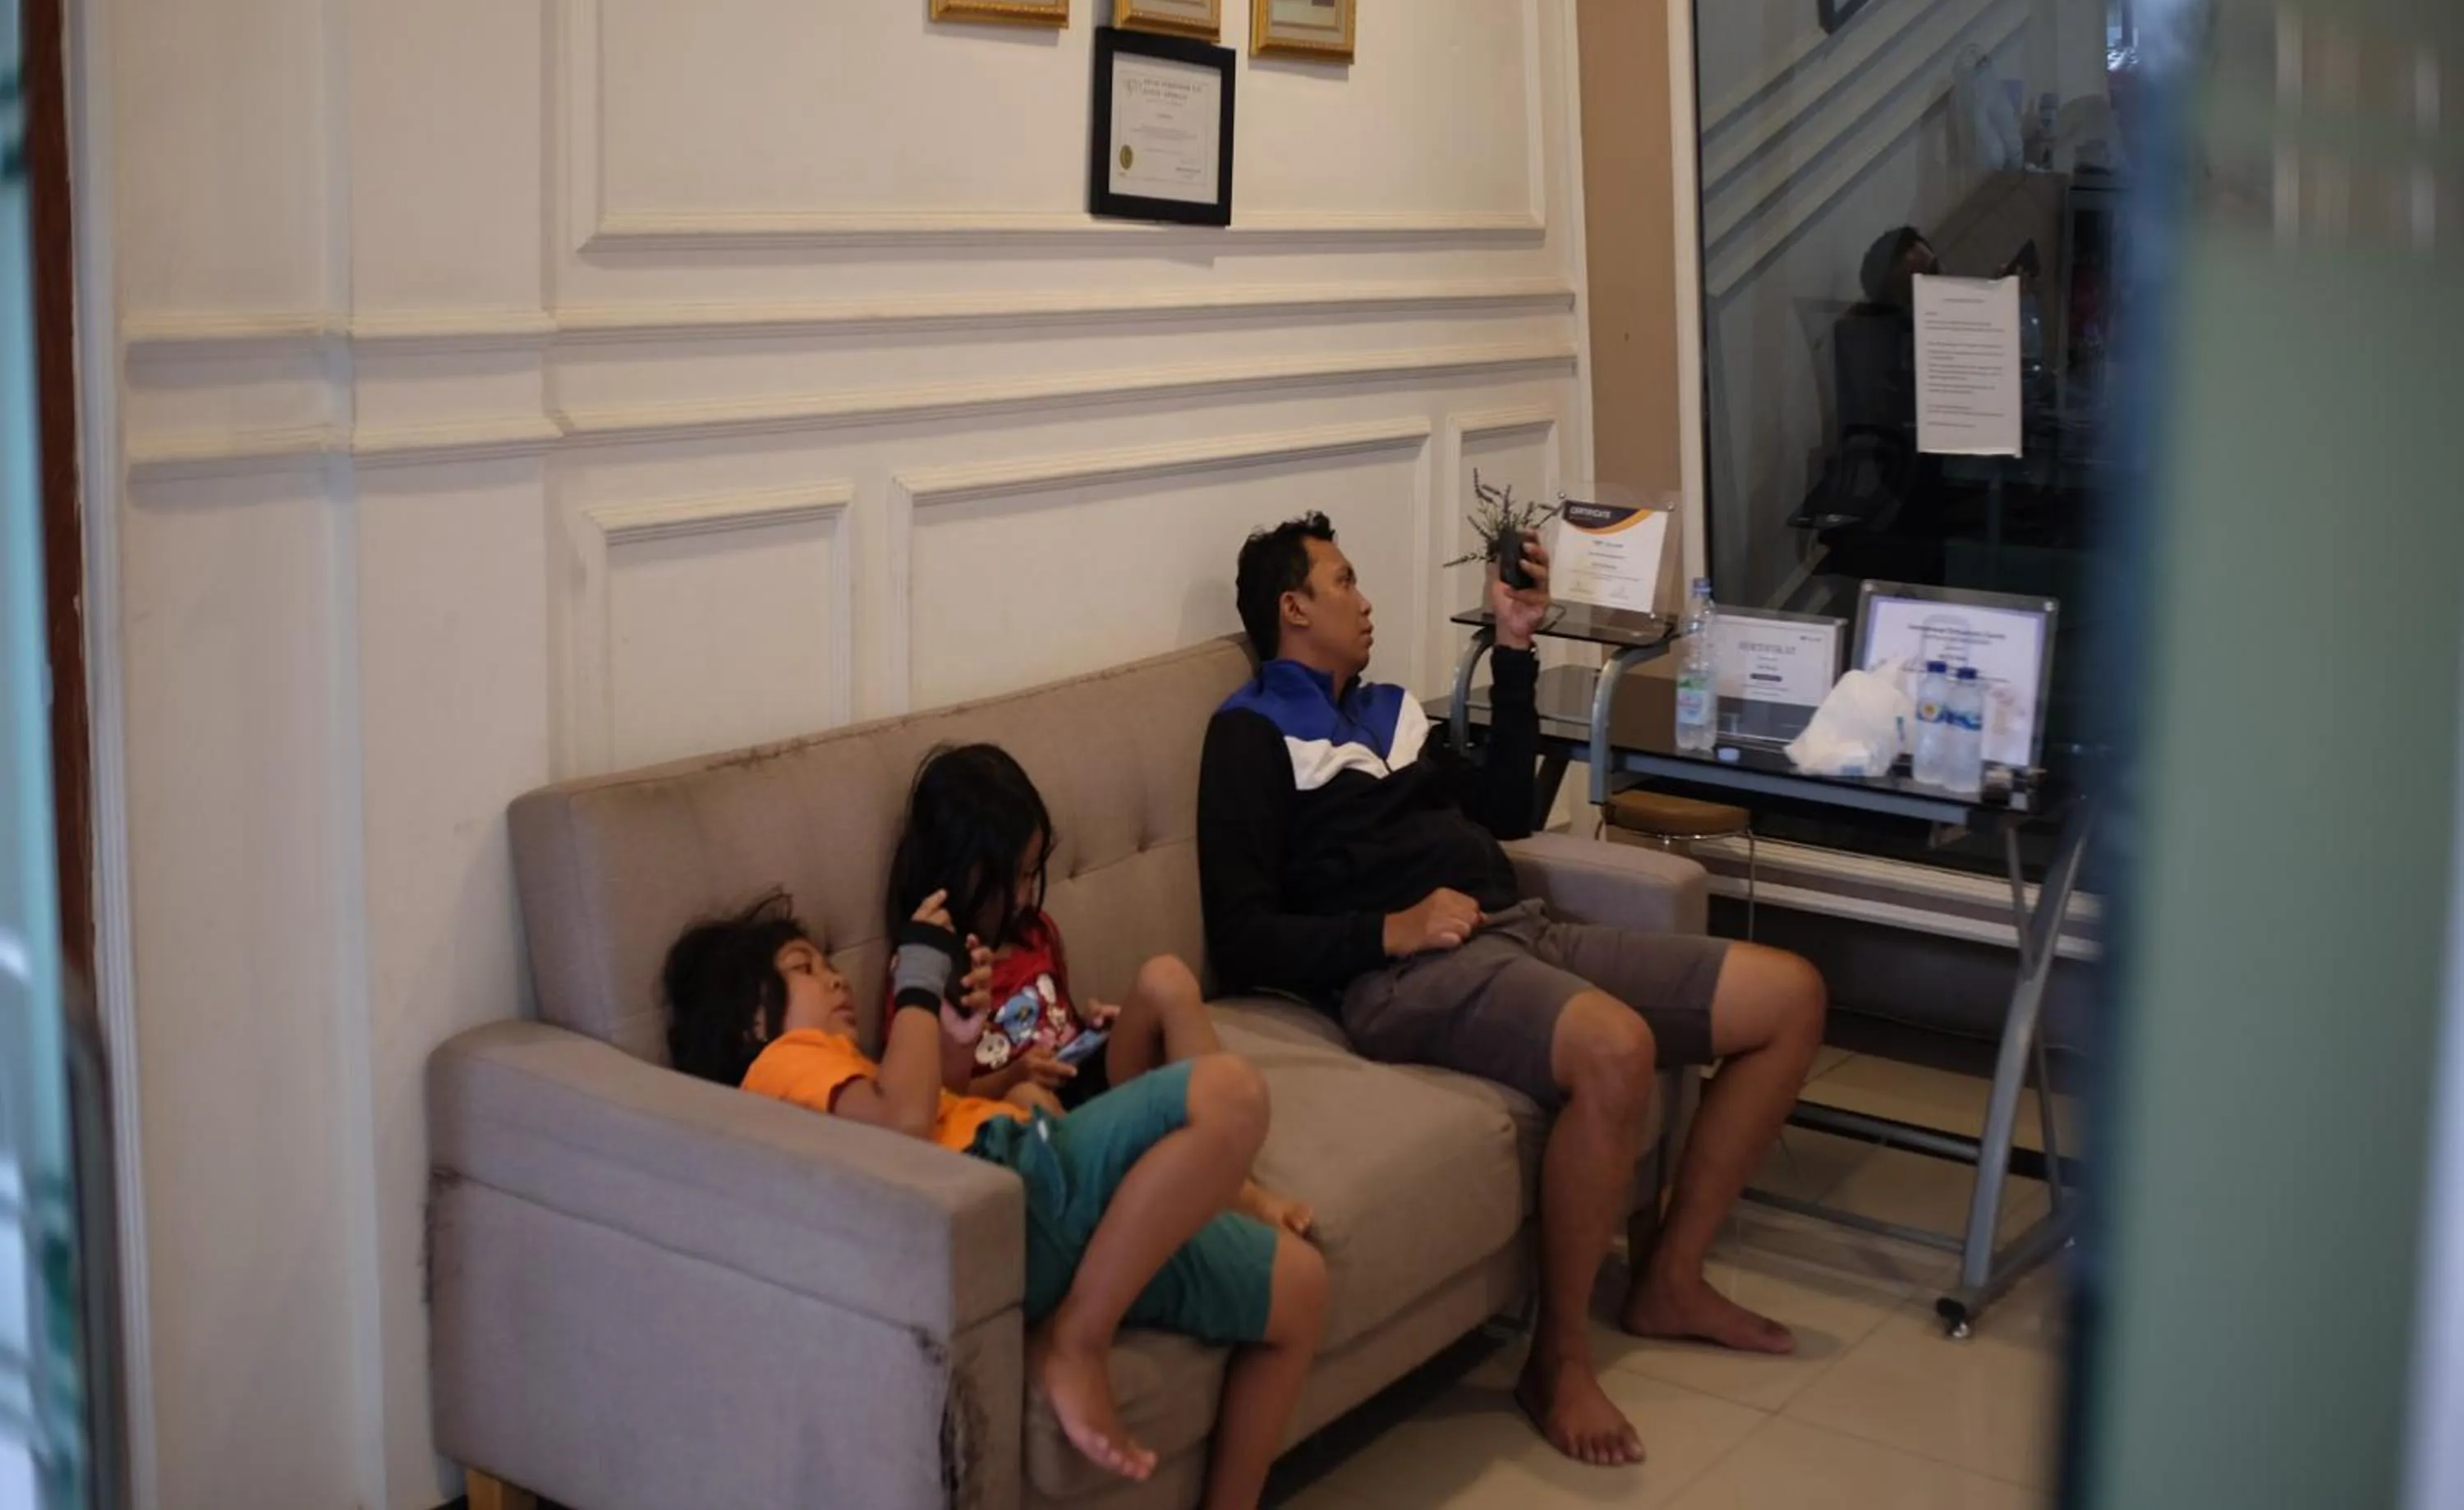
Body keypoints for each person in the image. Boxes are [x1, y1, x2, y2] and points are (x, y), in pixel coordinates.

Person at [1197, 514, 1827, 1468]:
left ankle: (1670, 1277)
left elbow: (1506, 808)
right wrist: (1388, 929)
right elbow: (1242, 935)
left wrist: (1515, 645)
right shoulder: (1248, 734)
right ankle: (1558, 1360)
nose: (1366, 602)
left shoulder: (1387, 714)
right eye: (1346, 582)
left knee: (1789, 995)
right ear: (1294, 608)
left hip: (1517, 930)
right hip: (1406, 972)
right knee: (1613, 1046)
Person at [662, 889, 1327, 1506]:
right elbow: (904, 1128)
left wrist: (955, 1037)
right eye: (806, 968)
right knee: (1228, 1094)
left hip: (1037, 1196)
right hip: (1018, 1189)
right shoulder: (779, 1063)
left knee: (1299, 1286)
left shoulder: (845, 1070)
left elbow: (932, 1109)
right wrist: (916, 984)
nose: (837, 979)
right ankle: (1078, 1336)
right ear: (752, 1017)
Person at [884, 742, 1314, 1237]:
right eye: (1015, 878)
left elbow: (1056, 1016)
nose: (1027, 895)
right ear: (966, 873)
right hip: (1020, 1115)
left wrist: (1092, 1023)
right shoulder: (925, 966)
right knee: (1028, 1096)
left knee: (1166, 977)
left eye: (1031, 874)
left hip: (1083, 1075)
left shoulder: (1034, 931)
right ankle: (1153, 1201)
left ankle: (1231, 1171)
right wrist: (1012, 1074)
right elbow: (934, 1098)